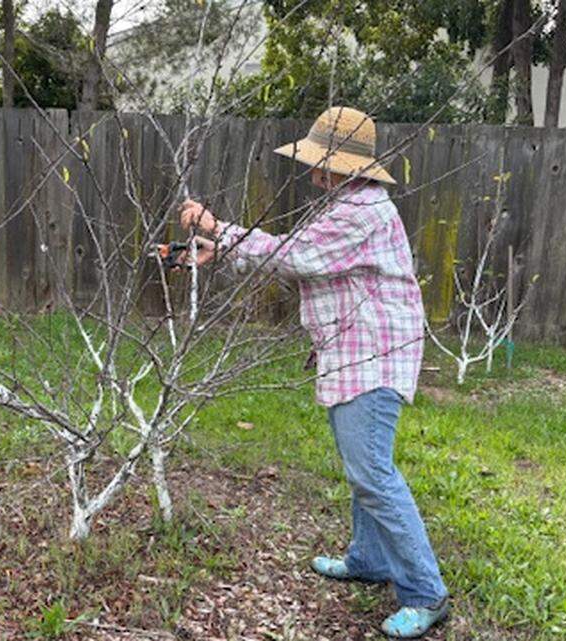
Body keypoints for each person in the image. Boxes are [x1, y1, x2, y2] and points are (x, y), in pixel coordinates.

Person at [177, 106, 449, 639]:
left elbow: (298, 257)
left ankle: (425, 592)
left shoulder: (360, 213)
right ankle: (369, 560)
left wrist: (217, 226)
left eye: (317, 163)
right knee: (364, 467)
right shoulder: (349, 204)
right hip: (357, 351)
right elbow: (303, 262)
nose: (310, 173)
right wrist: (223, 251)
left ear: (338, 167)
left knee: (372, 472)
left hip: (373, 355)